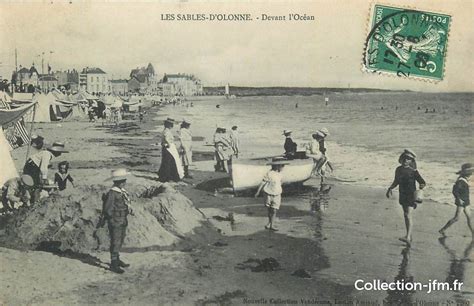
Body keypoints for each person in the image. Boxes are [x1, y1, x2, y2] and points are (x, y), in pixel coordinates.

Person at [386, 150, 426, 246]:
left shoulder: (413, 171)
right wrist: (390, 188)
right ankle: (409, 236)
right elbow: (396, 181)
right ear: (401, 159)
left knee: (408, 215)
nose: (406, 160)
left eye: (408, 159)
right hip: (402, 194)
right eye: (404, 158)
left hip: (411, 195)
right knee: (406, 215)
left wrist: (421, 187)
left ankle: (407, 237)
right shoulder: (398, 169)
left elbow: (422, 182)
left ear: (411, 161)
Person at [103, 169, 133, 274]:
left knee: (120, 240)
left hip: (122, 219)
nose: (125, 183)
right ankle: (114, 263)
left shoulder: (121, 192)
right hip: (116, 220)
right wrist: (112, 219)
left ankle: (117, 259)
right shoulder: (113, 193)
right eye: (123, 181)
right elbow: (108, 208)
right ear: (119, 182)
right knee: (115, 241)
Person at [439, 163, 473, 238]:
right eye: (470, 173)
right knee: (456, 218)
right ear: (467, 174)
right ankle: (443, 229)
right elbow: (455, 191)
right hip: (461, 202)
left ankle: (473, 233)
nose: (471, 175)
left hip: (466, 201)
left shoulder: (463, 180)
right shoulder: (461, 181)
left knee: (469, 217)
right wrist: (459, 199)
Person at [255, 160, 288, 231]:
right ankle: (270, 222)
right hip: (268, 193)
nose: (283, 167)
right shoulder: (269, 173)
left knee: (274, 209)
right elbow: (263, 183)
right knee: (269, 209)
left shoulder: (281, 174)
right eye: (282, 166)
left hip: (277, 194)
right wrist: (258, 192)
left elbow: (281, 182)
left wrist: (278, 188)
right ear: (277, 166)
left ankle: (272, 224)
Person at [158, 118, 184, 182]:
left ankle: (167, 176)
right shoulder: (166, 131)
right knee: (168, 162)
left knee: (168, 162)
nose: (172, 126)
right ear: (168, 125)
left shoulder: (166, 130)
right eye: (171, 124)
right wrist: (169, 144)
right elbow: (166, 138)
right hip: (168, 148)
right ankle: (167, 176)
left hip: (168, 148)